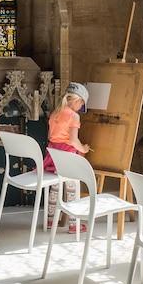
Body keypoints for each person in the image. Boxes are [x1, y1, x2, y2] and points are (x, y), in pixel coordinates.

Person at [43, 82, 91, 234]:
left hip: (53, 154)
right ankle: (73, 224)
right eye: (82, 105)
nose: (81, 108)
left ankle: (51, 221)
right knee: (72, 189)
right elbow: (72, 140)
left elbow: (52, 136)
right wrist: (83, 148)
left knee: (55, 187)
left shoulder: (55, 112)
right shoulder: (74, 116)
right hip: (68, 157)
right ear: (78, 101)